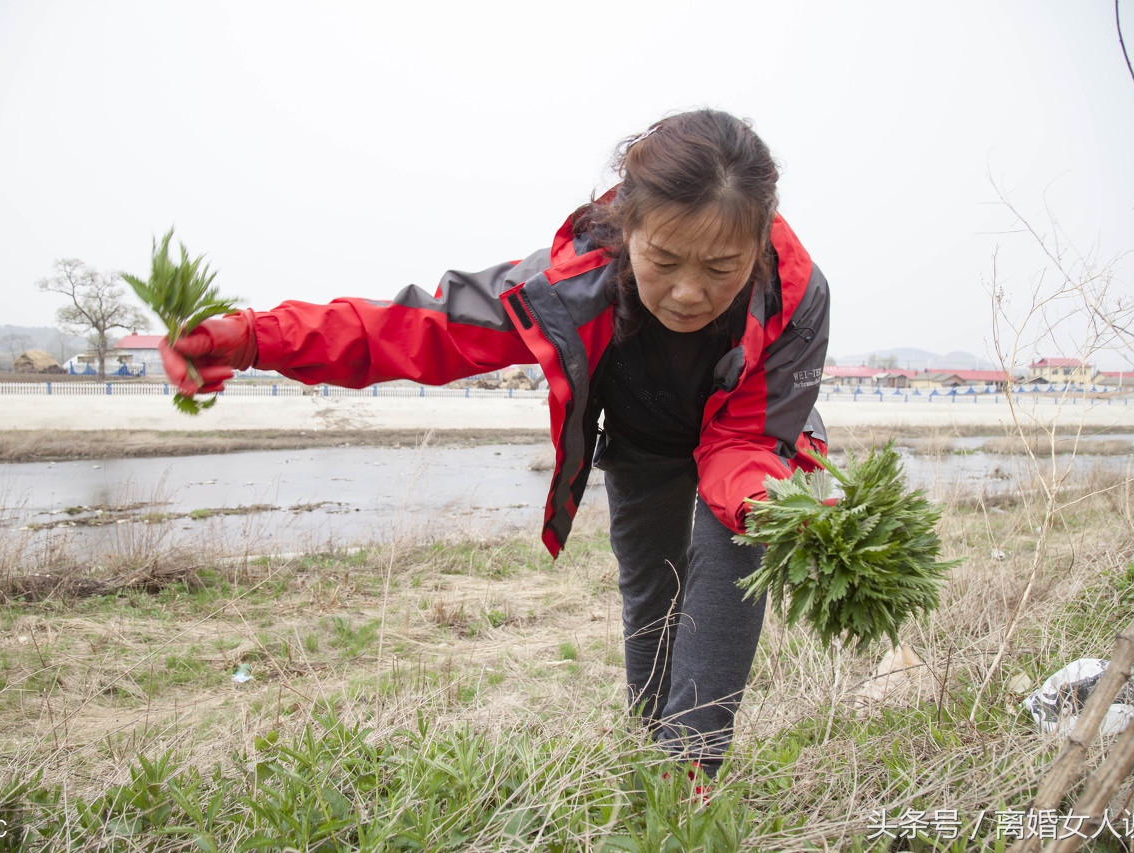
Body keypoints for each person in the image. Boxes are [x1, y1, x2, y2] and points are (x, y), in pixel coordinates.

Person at [161, 108, 830, 780]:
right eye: (664, 260)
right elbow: (420, 328)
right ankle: (649, 755)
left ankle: (688, 780)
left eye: (721, 267)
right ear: (628, 230)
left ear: (757, 248)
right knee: (651, 590)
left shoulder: (794, 296)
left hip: (750, 449)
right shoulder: (569, 286)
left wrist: (766, 502)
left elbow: (745, 438)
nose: (689, 292)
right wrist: (255, 338)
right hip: (643, 439)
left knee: (731, 568)